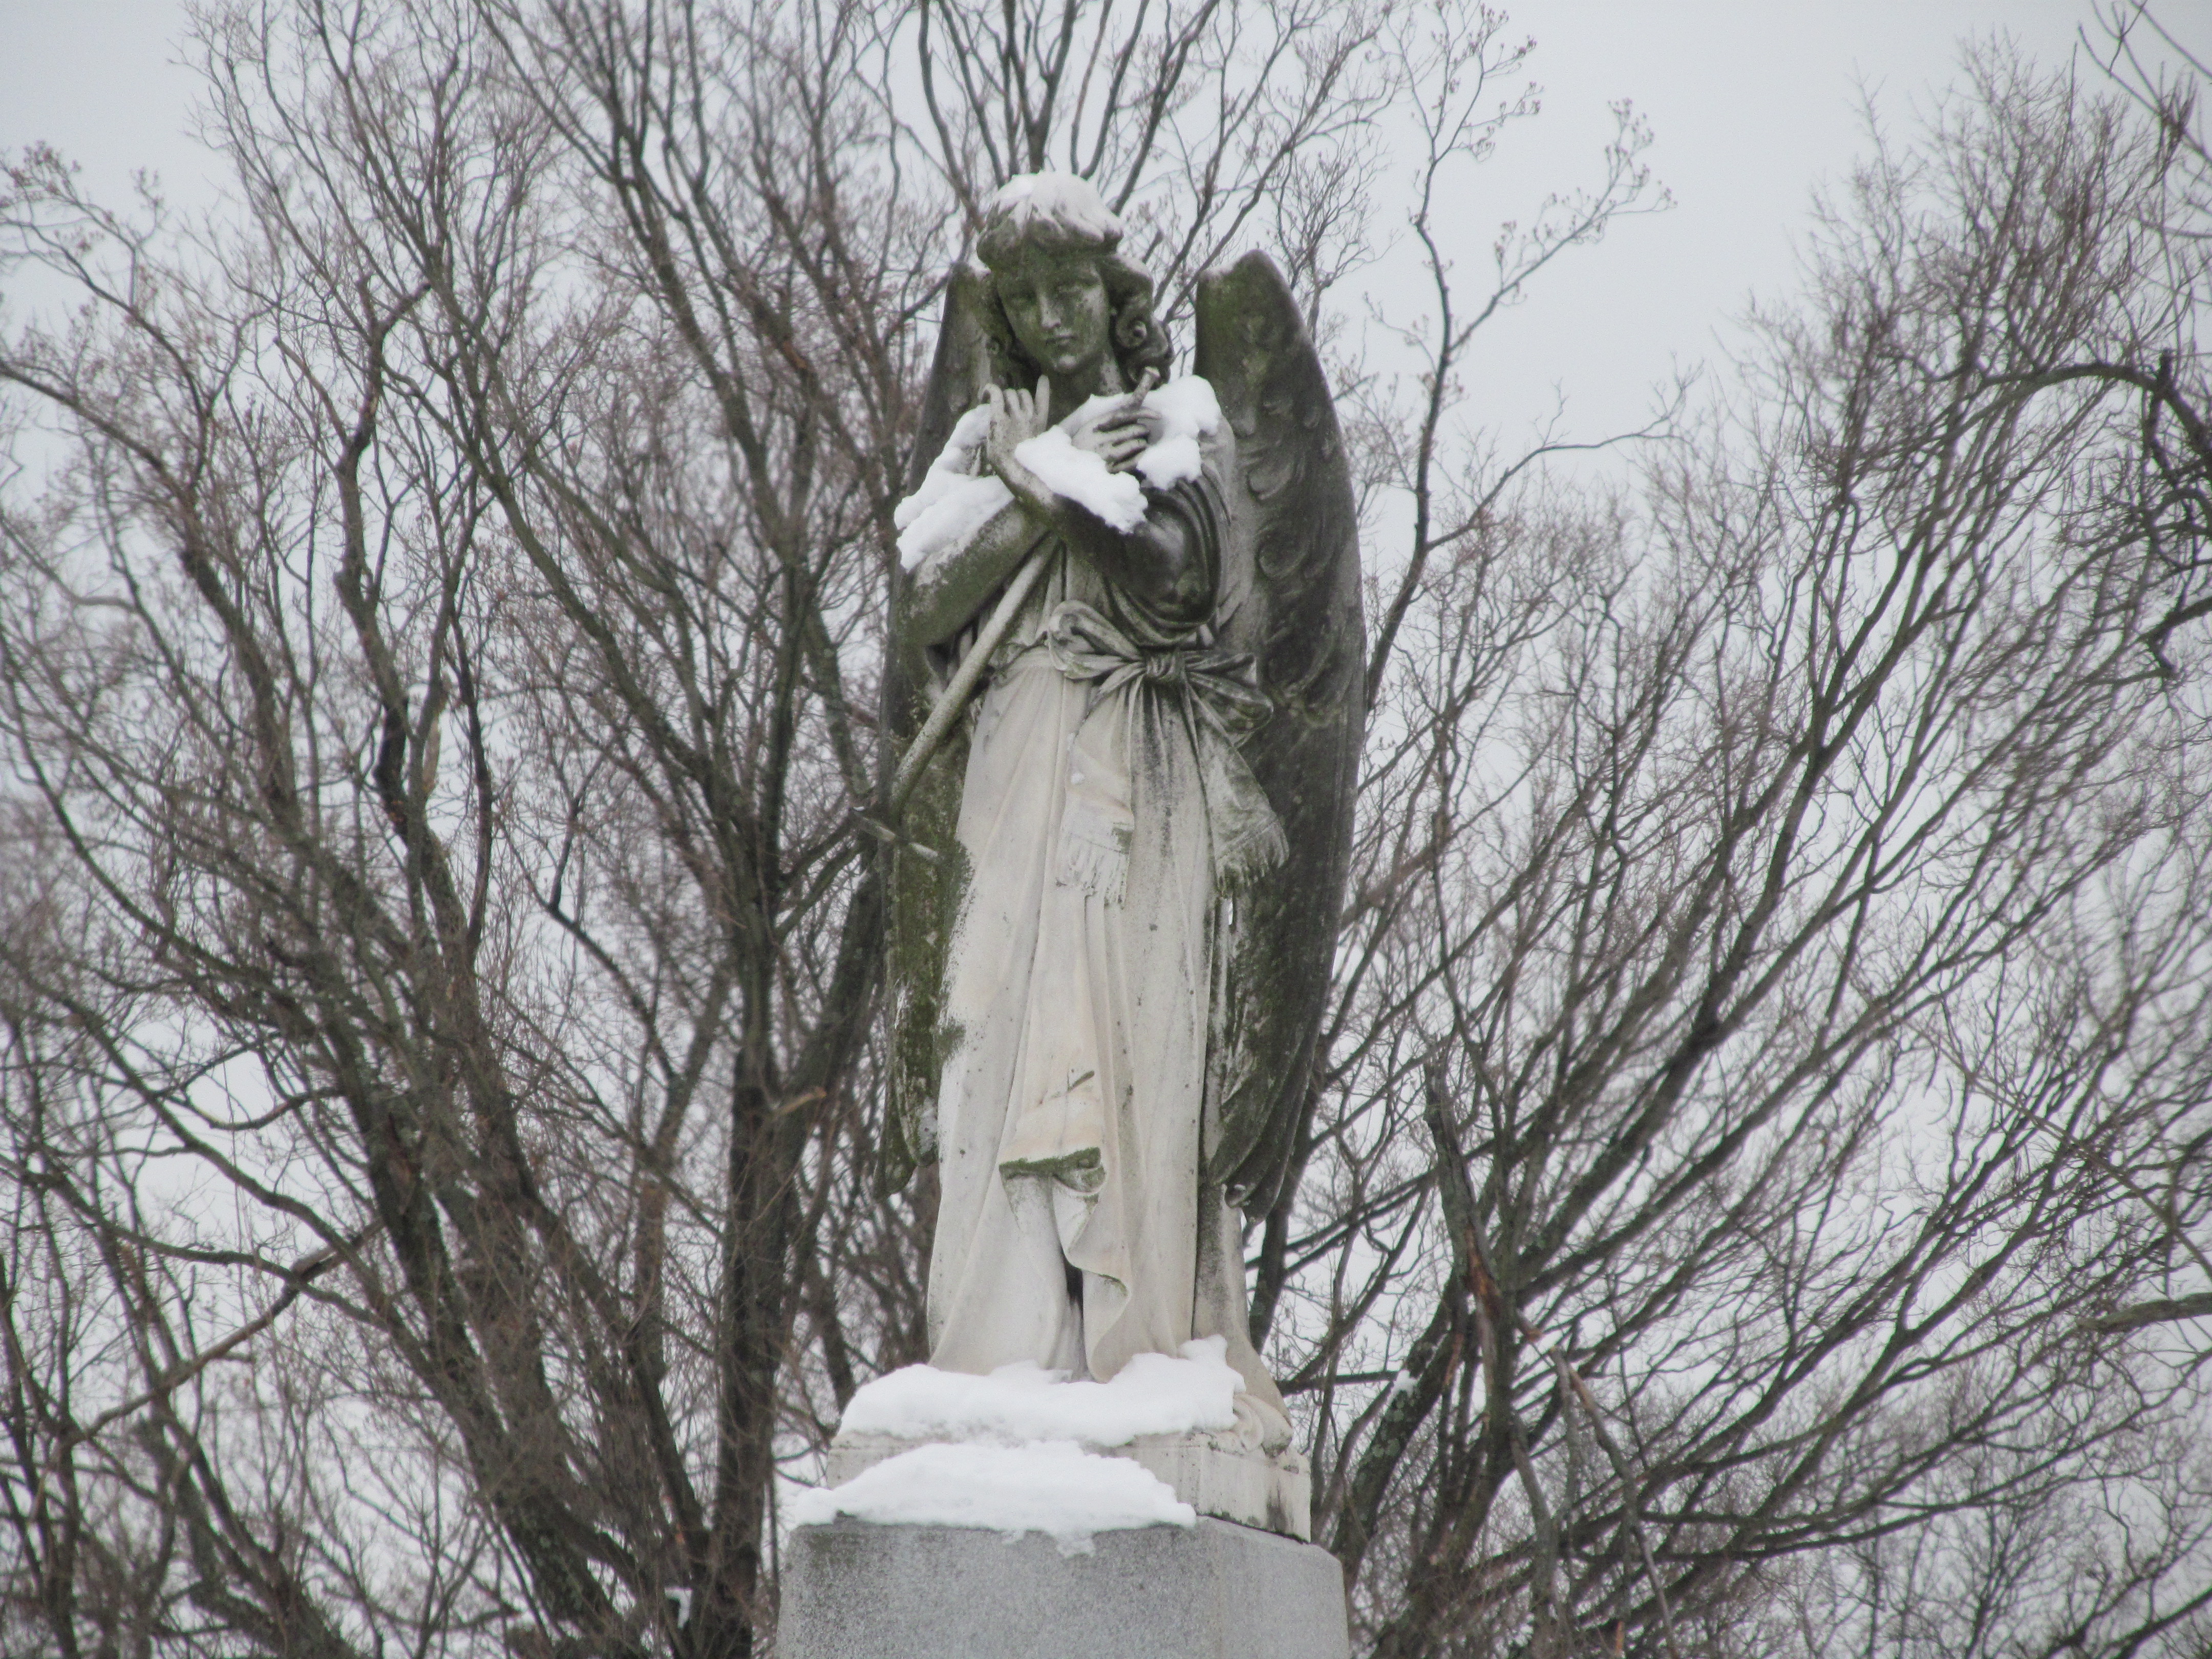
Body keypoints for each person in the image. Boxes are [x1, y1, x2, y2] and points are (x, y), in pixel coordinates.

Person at [897, 173, 1291, 1444]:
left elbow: (1177, 579)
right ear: (1004, 311)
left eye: (1074, 287)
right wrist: (1031, 479)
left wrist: (1056, 480)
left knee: (1120, 1035)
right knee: (993, 1025)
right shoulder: (984, 440)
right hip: (1014, 761)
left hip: (1135, 775)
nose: (1053, 314)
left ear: (1112, 295)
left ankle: (1130, 1345)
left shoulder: (1178, 419)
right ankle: (1005, 1344)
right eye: (1025, 294)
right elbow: (924, 600)